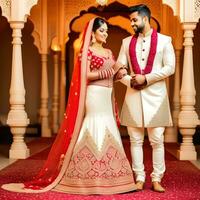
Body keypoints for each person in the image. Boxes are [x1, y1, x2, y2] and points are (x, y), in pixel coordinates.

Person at [2, 17, 136, 195]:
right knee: (96, 124)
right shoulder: (86, 52)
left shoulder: (109, 52)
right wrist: (110, 71)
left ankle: (111, 176)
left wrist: (122, 72)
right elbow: (85, 75)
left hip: (106, 95)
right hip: (94, 95)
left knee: (109, 125)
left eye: (106, 31)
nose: (105, 34)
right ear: (93, 34)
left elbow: (114, 75)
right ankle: (82, 174)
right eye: (102, 31)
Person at [115, 4, 175, 192]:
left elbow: (169, 67)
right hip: (133, 96)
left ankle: (157, 179)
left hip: (156, 98)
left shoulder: (165, 41)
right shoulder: (126, 42)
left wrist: (146, 78)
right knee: (135, 140)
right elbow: (119, 68)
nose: (132, 23)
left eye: (134, 20)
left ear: (145, 19)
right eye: (131, 20)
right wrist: (129, 81)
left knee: (157, 139)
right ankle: (139, 178)